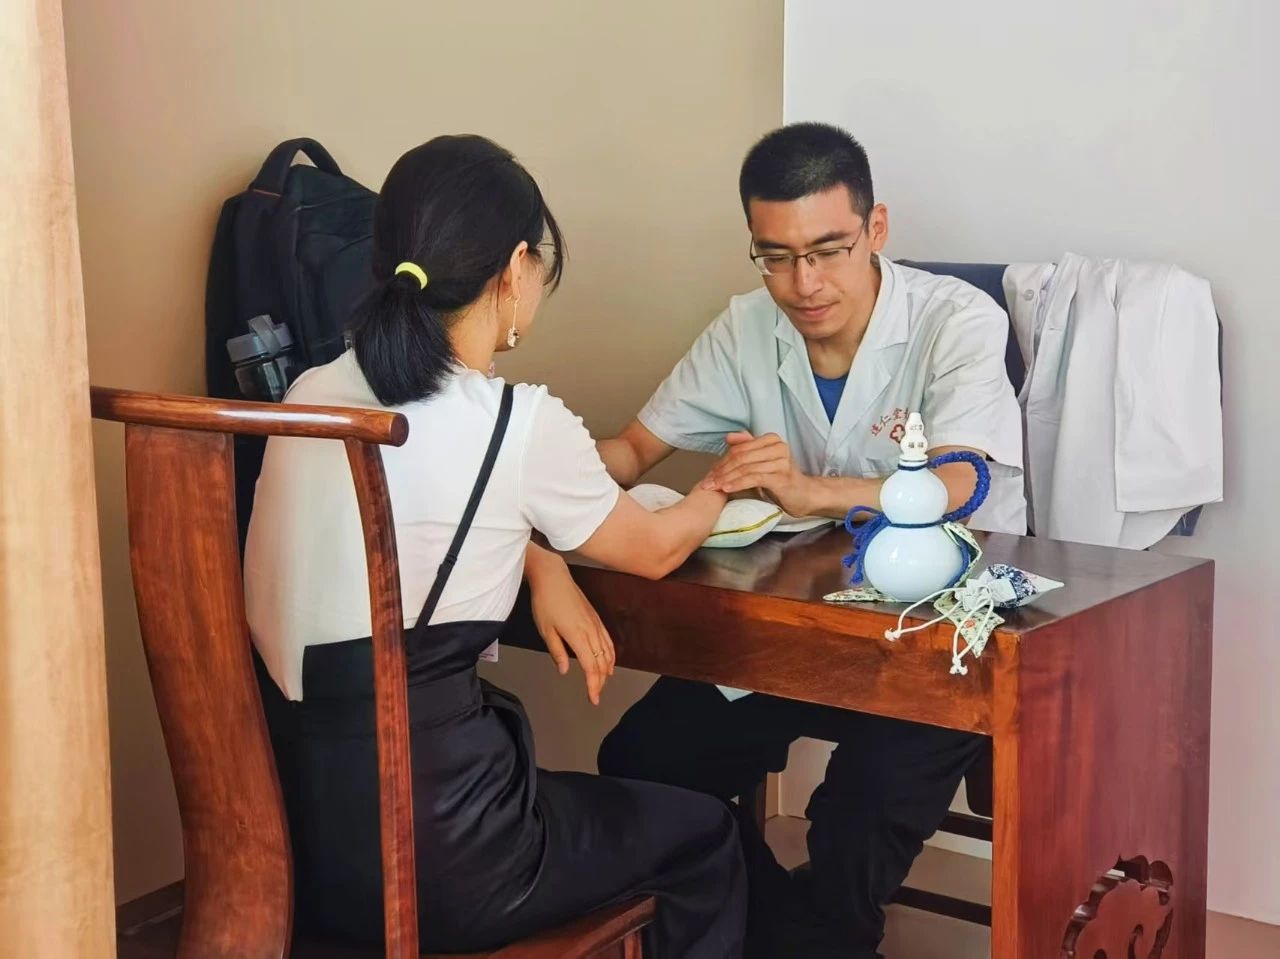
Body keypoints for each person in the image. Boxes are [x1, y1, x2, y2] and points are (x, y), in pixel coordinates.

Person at [243, 134, 746, 958]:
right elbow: (655, 549)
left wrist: (541, 563)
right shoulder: (517, 422)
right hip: (446, 857)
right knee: (705, 836)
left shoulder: (309, 394)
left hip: (302, 842)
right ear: (516, 268)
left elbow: (408, 529)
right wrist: (720, 486)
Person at [596, 122, 1026, 958]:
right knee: (644, 760)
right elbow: (632, 450)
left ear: (876, 227)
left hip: (939, 635)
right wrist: (525, 456)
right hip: (801, 630)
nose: (804, 283)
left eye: (828, 250)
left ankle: (806, 932)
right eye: (777, 256)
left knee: (857, 816)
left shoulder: (954, 320)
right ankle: (785, 932)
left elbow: (962, 480)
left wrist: (809, 490)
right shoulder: (747, 325)